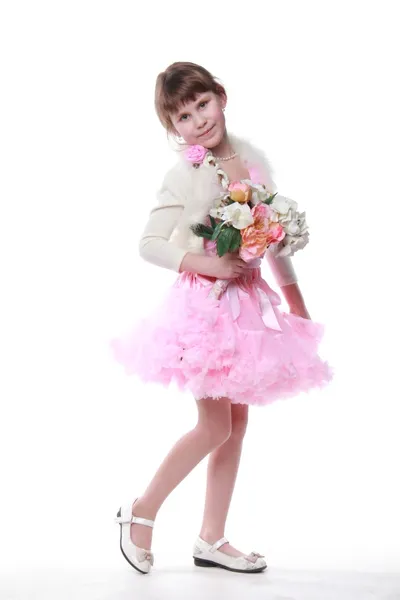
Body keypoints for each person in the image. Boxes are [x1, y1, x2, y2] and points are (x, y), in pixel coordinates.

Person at [111, 61, 333, 575]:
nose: (197, 120)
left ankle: (211, 537)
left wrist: (294, 295)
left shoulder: (253, 166)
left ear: (221, 96)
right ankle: (140, 511)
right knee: (213, 425)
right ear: (174, 129)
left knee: (235, 425)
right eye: (183, 116)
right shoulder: (185, 174)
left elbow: (270, 235)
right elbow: (148, 244)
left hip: (247, 305)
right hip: (205, 308)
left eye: (202, 105)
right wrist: (210, 262)